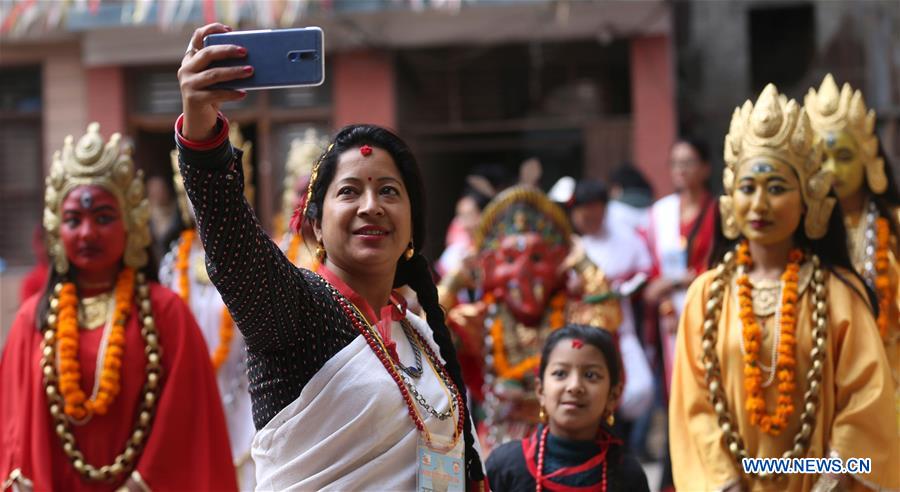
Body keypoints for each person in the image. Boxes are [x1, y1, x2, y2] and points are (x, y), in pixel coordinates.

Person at [176, 23, 485, 490]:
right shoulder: (298, 311)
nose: (370, 206)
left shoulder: (418, 332)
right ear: (316, 224)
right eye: (349, 191)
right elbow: (231, 241)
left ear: (411, 226)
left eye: (388, 191)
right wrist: (203, 131)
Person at [669, 84, 899, 490]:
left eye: (776, 188)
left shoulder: (839, 295)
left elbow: (866, 404)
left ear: (808, 199)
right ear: (729, 199)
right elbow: (695, 409)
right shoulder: (706, 296)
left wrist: (835, 478)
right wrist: (723, 482)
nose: (759, 205)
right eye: (748, 187)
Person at [0, 123, 236, 491]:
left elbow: (186, 420)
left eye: (104, 218)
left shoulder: (166, 313)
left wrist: (142, 482)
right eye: (74, 220)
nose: (87, 233)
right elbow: (13, 433)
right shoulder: (33, 319)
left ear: (131, 225)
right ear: (55, 230)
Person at [443, 185, 622, 452]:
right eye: (510, 259)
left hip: (565, 438)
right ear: (490, 267)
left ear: (560, 262)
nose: (523, 273)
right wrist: (454, 281)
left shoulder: (573, 316)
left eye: (537, 258)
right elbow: (428, 329)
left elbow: (608, 314)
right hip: (499, 440)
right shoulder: (482, 319)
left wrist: (583, 262)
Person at [158, 129, 256, 489]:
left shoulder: (254, 259)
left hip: (245, 392)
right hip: (191, 398)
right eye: (193, 193)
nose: (202, 203)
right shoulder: (171, 266)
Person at [805, 73, 900, 435]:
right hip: (828, 386)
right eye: (821, 157)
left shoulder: (895, 228)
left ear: (868, 158)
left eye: (843, 156)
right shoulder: (804, 239)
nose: (831, 169)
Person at [486, 324, 650, 491]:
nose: (574, 386)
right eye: (560, 373)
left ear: (613, 395)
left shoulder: (628, 477)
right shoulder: (505, 467)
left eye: (591, 375)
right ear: (541, 390)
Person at [568, 179, 654, 425]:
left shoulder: (626, 238)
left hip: (619, 327)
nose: (589, 219)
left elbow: (644, 273)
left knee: (639, 387)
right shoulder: (571, 244)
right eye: (583, 214)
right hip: (579, 331)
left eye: (595, 211)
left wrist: (619, 290)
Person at [644, 136, 716, 395]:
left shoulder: (718, 212)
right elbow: (653, 272)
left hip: (708, 310)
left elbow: (720, 264)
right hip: (669, 318)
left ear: (706, 168)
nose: (680, 169)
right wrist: (667, 306)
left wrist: (687, 280)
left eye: (688, 162)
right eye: (675, 163)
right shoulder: (660, 213)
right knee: (675, 388)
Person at [145, 175, 183, 263]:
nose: (161, 193)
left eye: (162, 188)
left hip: (180, 258)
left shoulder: (179, 210)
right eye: (156, 190)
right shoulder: (148, 217)